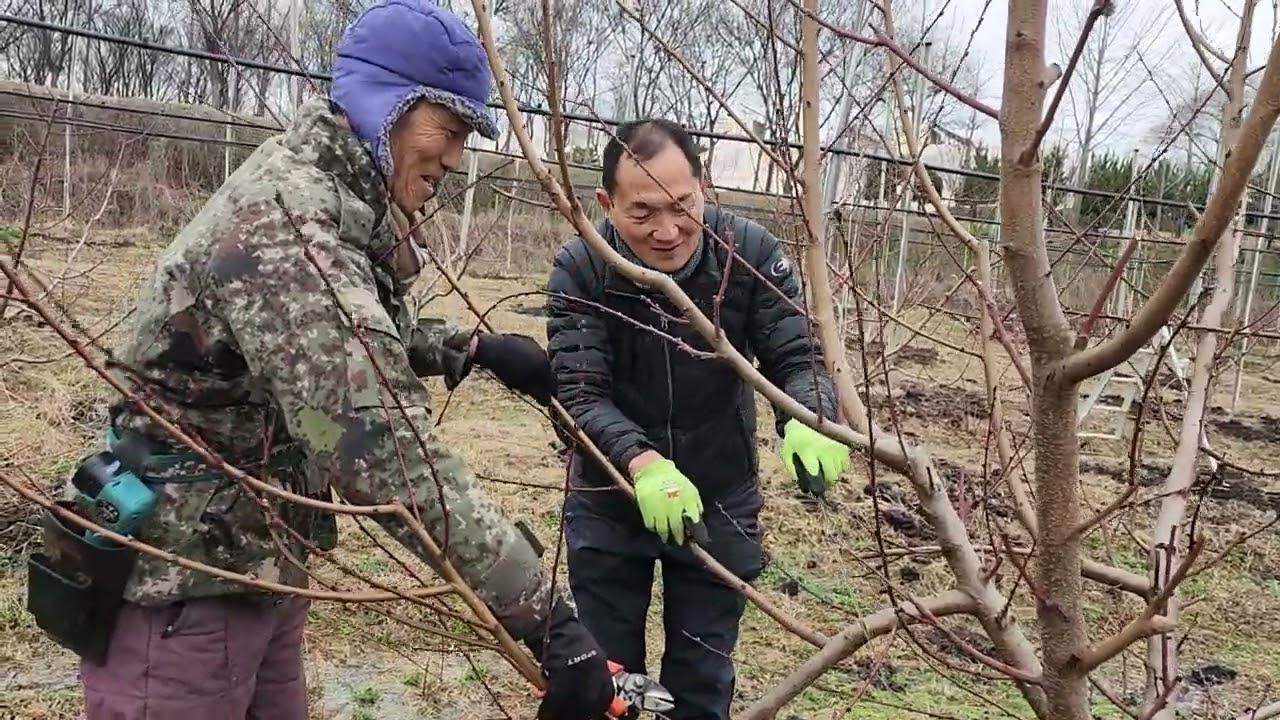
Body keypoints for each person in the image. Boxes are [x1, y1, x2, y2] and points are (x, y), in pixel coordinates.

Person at [23, 2, 616, 719]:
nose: (456, 157)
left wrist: (472, 348)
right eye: (450, 129)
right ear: (386, 106)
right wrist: (547, 621)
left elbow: (324, 331)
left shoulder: (332, 196)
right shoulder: (286, 221)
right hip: (185, 583)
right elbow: (376, 444)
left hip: (254, 560)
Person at [544, 118, 852, 720]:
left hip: (719, 497)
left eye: (682, 205)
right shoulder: (581, 268)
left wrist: (811, 414)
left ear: (703, 188)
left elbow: (798, 355)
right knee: (607, 684)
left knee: (701, 683)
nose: (667, 230)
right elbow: (579, 396)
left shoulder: (748, 254)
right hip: (610, 500)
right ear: (606, 203)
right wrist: (642, 463)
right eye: (642, 212)